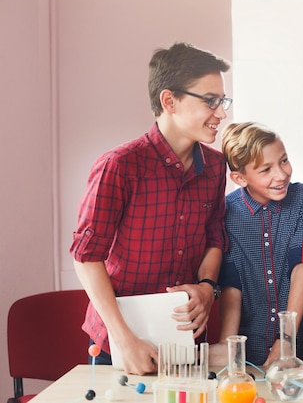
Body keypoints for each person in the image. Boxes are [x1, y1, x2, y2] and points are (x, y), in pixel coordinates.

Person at [70, 42, 231, 375]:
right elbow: (86, 257)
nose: (222, 113)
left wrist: (206, 287)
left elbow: (215, 236)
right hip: (118, 343)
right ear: (169, 101)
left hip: (184, 343)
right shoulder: (119, 166)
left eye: (222, 101)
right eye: (210, 101)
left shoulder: (215, 167)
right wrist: (122, 338)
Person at [210, 121, 303, 367]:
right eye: (265, 169)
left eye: (284, 160)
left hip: (301, 349)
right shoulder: (227, 212)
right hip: (249, 353)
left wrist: (285, 342)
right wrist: (229, 345)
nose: (281, 175)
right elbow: (232, 284)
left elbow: (302, 269)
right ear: (239, 178)